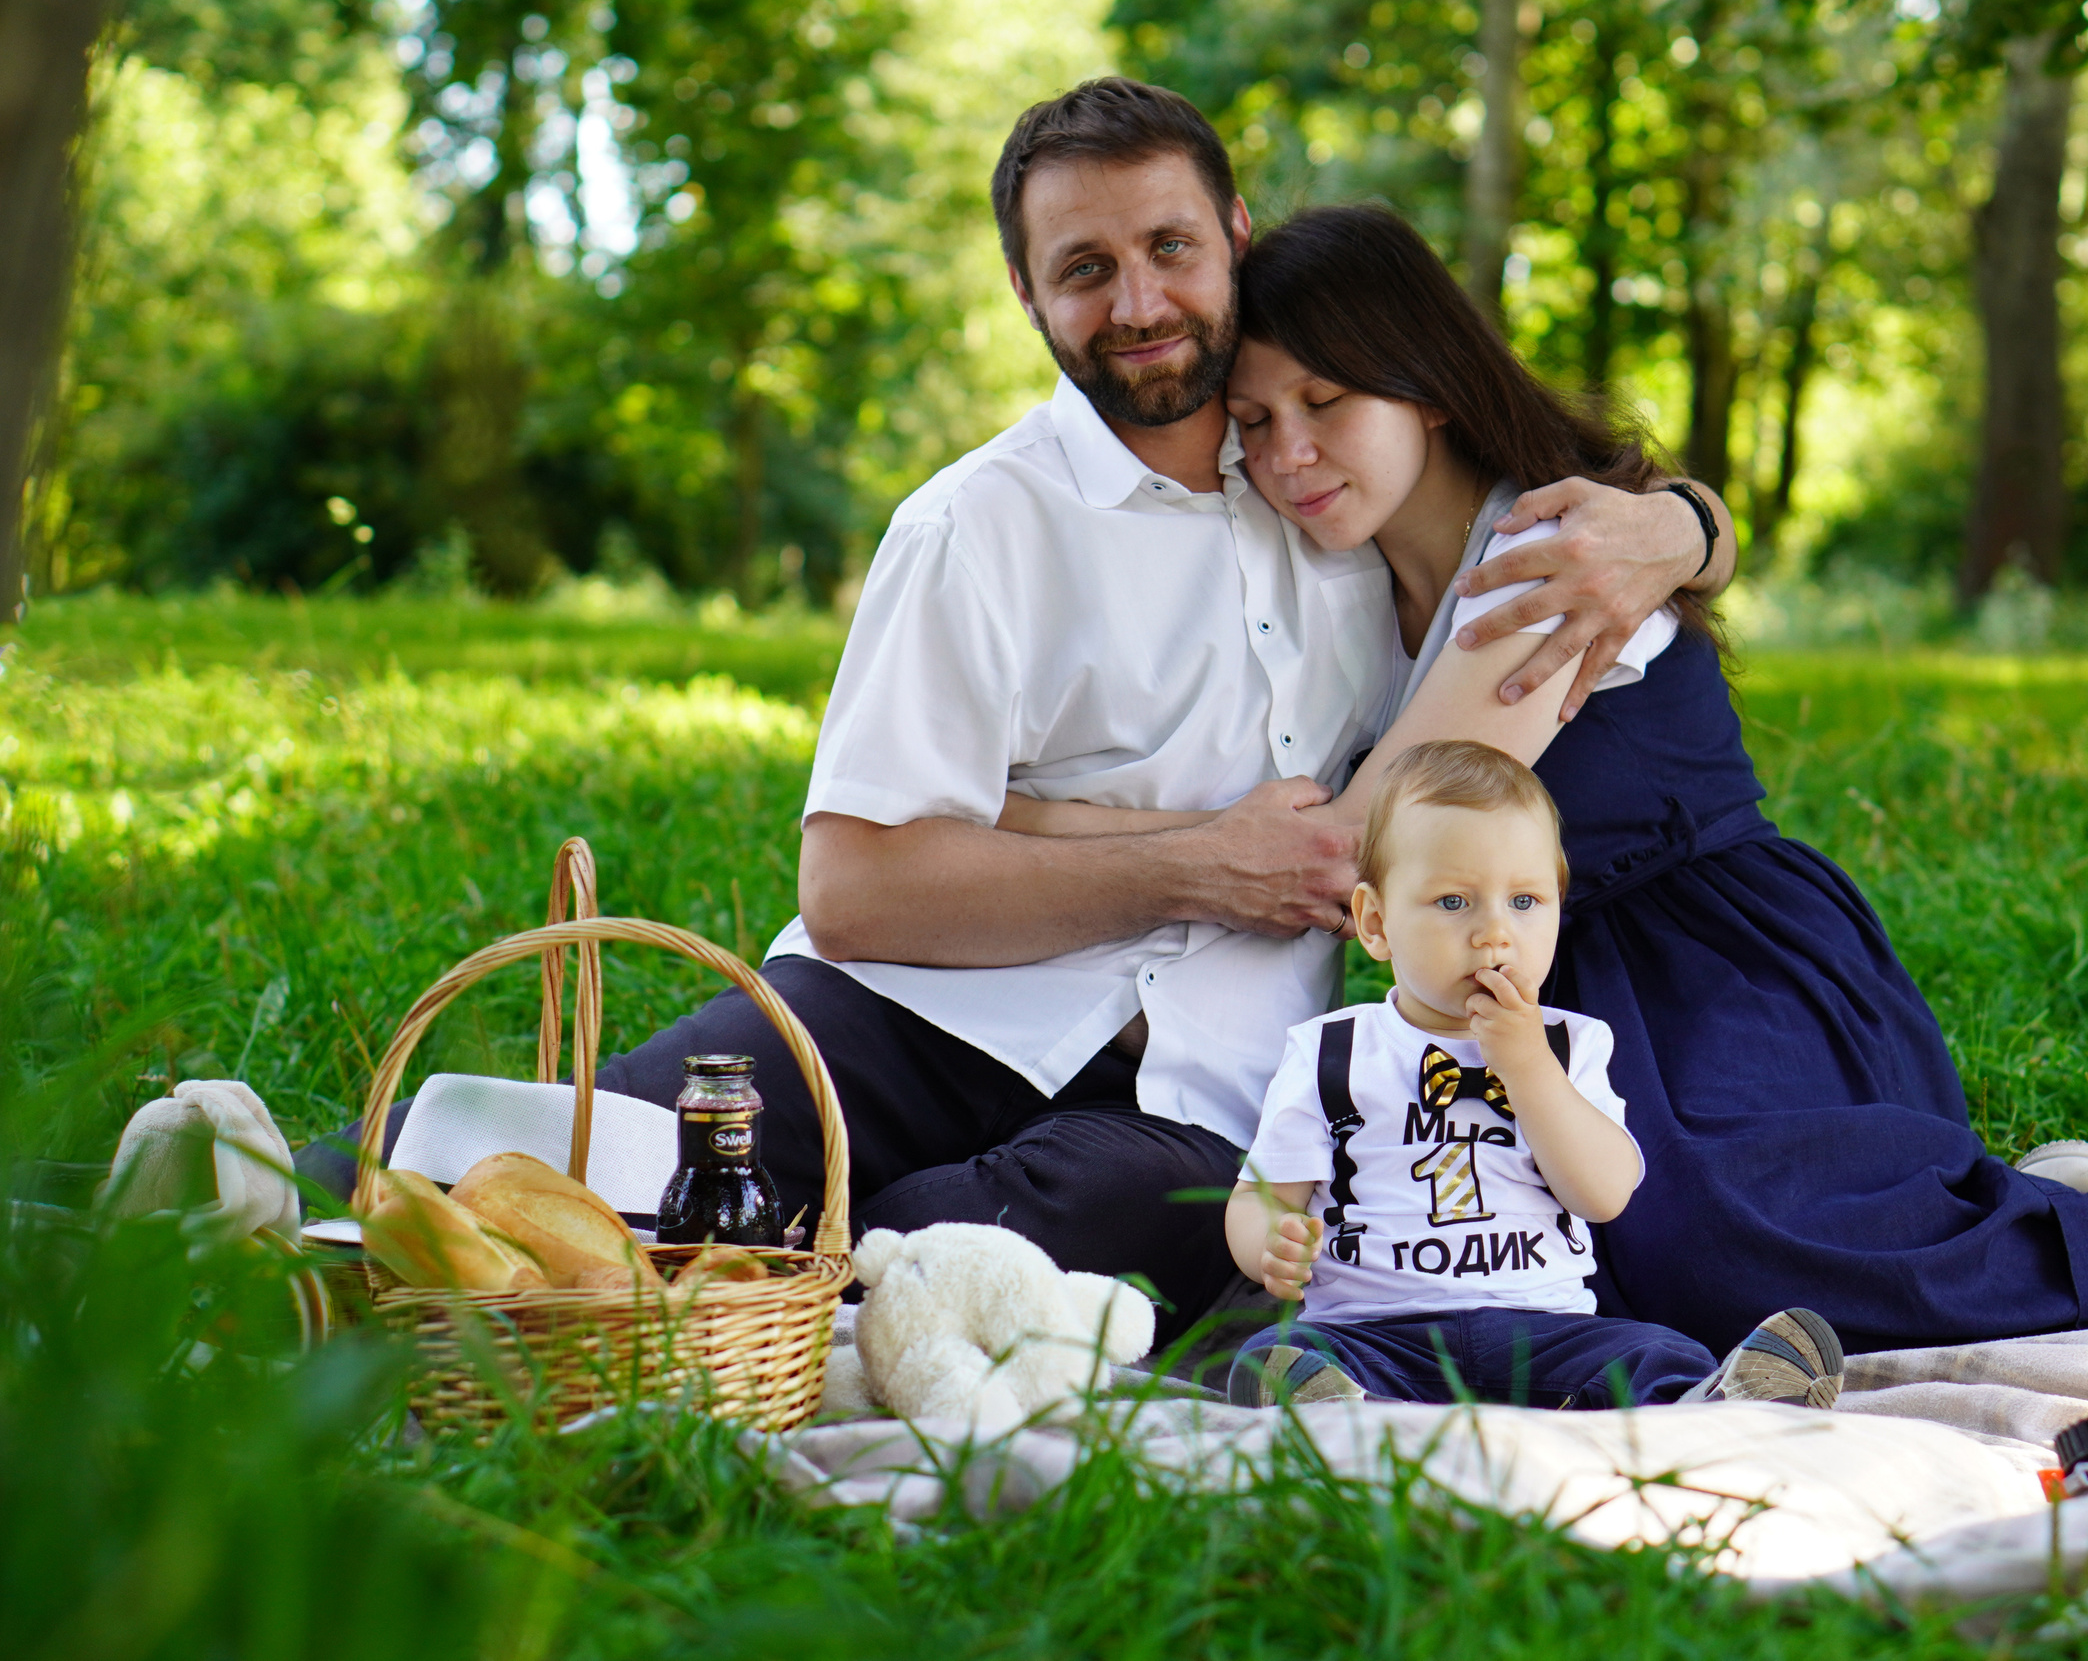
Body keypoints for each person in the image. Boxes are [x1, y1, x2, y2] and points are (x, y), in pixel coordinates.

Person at [300, 81, 1729, 1343]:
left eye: (1169, 247)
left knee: (978, 1270)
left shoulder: (1324, 488)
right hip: (905, 1010)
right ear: (1026, 294)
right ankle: (208, 1203)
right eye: (1084, 268)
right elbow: (852, 887)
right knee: (558, 1172)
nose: (1141, 301)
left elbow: (1534, 505)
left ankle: (761, 1301)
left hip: (1187, 1100)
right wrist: (1188, 862)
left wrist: (1688, 524)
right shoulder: (975, 528)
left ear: (1235, 236)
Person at [1009, 201, 2088, 1358]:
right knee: (1516, 1267)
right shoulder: (1335, 598)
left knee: (1677, 1241)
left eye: (1327, 400)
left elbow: (1353, 840)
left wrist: (1031, 821)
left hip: (1722, 967)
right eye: (1254, 421)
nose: (1289, 449)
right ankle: (2044, 1203)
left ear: (1429, 386)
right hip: (1528, 987)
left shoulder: (1549, 559)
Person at [1222, 739, 1843, 1409]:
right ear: (1375, 923)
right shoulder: (1331, 1052)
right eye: (1455, 903)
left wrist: (1528, 1067)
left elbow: (1603, 1194)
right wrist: (1268, 1244)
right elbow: (1261, 1196)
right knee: (1278, 1354)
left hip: (1544, 1331)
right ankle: (1332, 1404)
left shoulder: (1572, 1045)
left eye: (1524, 902)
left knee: (1653, 1351)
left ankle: (1728, 1398)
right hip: (1375, 1332)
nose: (1495, 933)